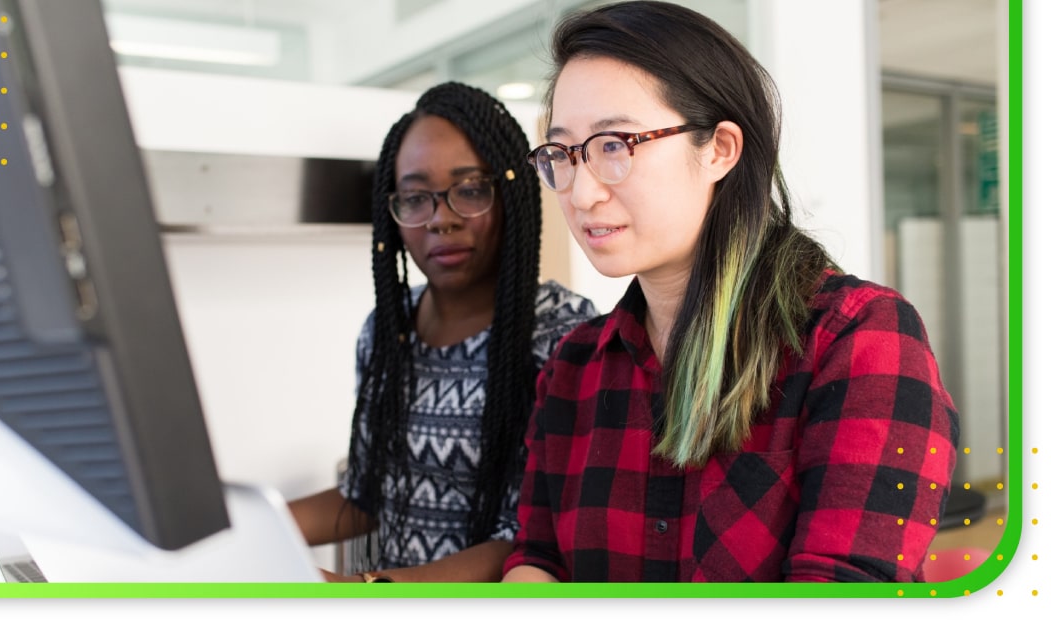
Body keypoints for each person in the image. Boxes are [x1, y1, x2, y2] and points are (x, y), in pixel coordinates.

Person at [501, 1, 959, 583]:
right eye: (564, 153)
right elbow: (538, 559)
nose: (581, 192)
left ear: (719, 148)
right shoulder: (574, 367)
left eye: (613, 145)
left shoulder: (858, 339)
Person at [288, 82, 597, 583]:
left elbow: (533, 539)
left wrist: (366, 590)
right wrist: (249, 527)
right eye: (415, 198)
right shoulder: (387, 331)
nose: (441, 220)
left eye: (471, 189)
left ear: (511, 193)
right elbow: (365, 496)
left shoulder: (563, 335)